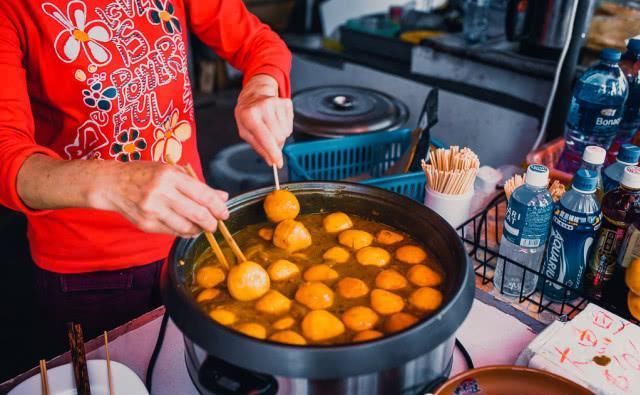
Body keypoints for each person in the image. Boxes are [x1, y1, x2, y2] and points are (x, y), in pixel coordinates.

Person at [0, 0, 292, 340]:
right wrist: (113, 183)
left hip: (191, 236)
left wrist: (261, 89)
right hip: (87, 271)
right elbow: (7, 155)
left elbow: (257, 42)